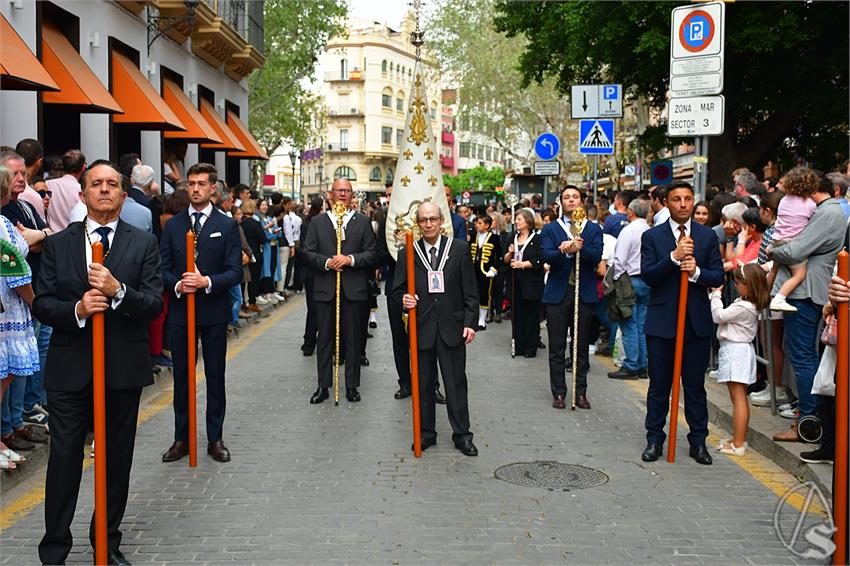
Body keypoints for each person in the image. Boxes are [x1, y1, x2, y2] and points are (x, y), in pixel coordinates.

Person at [33, 161, 163, 565]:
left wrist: (118, 290)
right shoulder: (58, 244)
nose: (104, 190)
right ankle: (55, 547)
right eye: (96, 184)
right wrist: (78, 308)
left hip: (122, 368)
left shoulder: (144, 243)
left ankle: (107, 541)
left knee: (116, 459)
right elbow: (42, 304)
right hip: (69, 370)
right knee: (64, 458)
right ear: (82, 193)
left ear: (123, 194)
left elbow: (154, 304)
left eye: (111, 184)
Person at [159, 163, 243, 464]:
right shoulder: (173, 225)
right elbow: (162, 269)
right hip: (181, 312)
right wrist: (179, 284)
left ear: (212, 188)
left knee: (215, 376)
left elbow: (234, 271)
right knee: (182, 377)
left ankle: (214, 438)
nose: (195, 189)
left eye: (201, 184)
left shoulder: (227, 225)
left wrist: (206, 281)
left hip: (213, 311)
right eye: (191, 183)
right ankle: (181, 438)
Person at [640, 181, 724, 466]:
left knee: (695, 387)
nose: (684, 204)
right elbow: (648, 275)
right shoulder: (653, 237)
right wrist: (673, 258)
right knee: (659, 386)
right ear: (667, 202)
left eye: (688, 198)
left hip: (695, 322)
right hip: (662, 322)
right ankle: (654, 439)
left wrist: (697, 272)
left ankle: (698, 441)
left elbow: (717, 275)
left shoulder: (707, 236)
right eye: (677, 199)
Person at [393, 201, 479, 456]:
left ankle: (462, 435)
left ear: (442, 221)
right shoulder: (407, 253)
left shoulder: (459, 249)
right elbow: (396, 290)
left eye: (433, 219)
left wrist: (470, 323)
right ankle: (426, 433)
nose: (428, 224)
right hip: (421, 328)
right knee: (423, 385)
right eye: (423, 220)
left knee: (455, 384)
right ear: (417, 223)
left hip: (452, 328)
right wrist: (404, 300)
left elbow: (470, 290)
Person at [770, 168, 845, 442]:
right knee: (803, 355)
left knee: (802, 357)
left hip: (806, 292)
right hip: (807, 290)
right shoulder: (826, 210)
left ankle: (808, 421)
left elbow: (795, 250)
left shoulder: (827, 213)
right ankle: (808, 418)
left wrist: (772, 250)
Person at [301, 178, 377, 404]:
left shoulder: (362, 222)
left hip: (354, 290)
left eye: (347, 190)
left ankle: (352, 385)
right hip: (325, 289)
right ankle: (323, 386)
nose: (343, 194)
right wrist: (327, 262)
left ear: (352, 195)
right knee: (324, 339)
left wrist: (350, 259)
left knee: (353, 339)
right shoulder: (318, 222)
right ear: (330, 194)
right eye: (339, 190)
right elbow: (307, 252)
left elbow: (372, 253)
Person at [540, 186, 603, 410]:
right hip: (558, 294)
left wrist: (579, 247)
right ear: (561, 202)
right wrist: (564, 250)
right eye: (566, 197)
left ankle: (580, 391)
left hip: (583, 293)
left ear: (581, 201)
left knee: (581, 346)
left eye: (575, 197)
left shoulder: (592, 229)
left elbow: (596, 256)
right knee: (557, 347)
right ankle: (559, 392)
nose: (571, 200)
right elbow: (546, 255)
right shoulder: (551, 229)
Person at [0, 166, 39, 469]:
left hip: (9, 307)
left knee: (6, 376)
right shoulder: (2, 225)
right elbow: (15, 272)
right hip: (8, 307)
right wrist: (36, 303)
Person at [710, 264, 770, 456]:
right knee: (739, 397)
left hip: (736, 352)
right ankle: (739, 438)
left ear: (748, 285)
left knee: (738, 399)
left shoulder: (743, 307)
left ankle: (738, 444)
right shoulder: (747, 304)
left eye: (738, 283)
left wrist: (716, 295)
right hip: (739, 351)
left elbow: (718, 316)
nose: (735, 286)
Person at [607, 196, 652, 380]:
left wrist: (617, 280)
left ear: (631, 212)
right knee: (641, 325)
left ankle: (631, 365)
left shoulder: (629, 231)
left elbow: (619, 259)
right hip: (646, 281)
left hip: (629, 281)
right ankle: (642, 365)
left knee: (628, 324)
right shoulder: (650, 231)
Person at [767, 168, 819, 312]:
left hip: (777, 241)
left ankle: (763, 295)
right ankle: (779, 298)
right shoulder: (810, 204)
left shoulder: (784, 200)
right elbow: (813, 221)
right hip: (791, 244)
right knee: (799, 275)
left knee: (774, 269)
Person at [505, 208, 544, 358]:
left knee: (531, 316)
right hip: (516, 281)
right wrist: (510, 253)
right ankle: (519, 346)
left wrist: (524, 264)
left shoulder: (537, 239)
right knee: (517, 315)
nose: (516, 222)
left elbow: (541, 259)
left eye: (519, 219)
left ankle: (530, 347)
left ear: (528, 221)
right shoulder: (512, 238)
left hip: (532, 282)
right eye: (516, 219)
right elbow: (505, 259)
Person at [300, 197, 324, 355]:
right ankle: (311, 341)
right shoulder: (313, 225)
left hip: (312, 272)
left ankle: (309, 342)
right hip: (316, 271)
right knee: (317, 309)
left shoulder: (306, 223)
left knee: (313, 309)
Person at [470, 214, 500, 330]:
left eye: (480, 223)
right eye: (477, 223)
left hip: (486, 271)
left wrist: (493, 269)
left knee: (484, 293)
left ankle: (482, 319)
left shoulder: (494, 238)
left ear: (487, 225)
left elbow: (498, 255)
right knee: (472, 293)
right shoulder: (473, 236)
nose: (477, 225)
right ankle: (473, 317)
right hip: (473, 270)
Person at [45, 150, 86, 232]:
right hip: (72, 235)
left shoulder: (47, 185)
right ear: (83, 168)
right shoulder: (81, 191)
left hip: (50, 234)